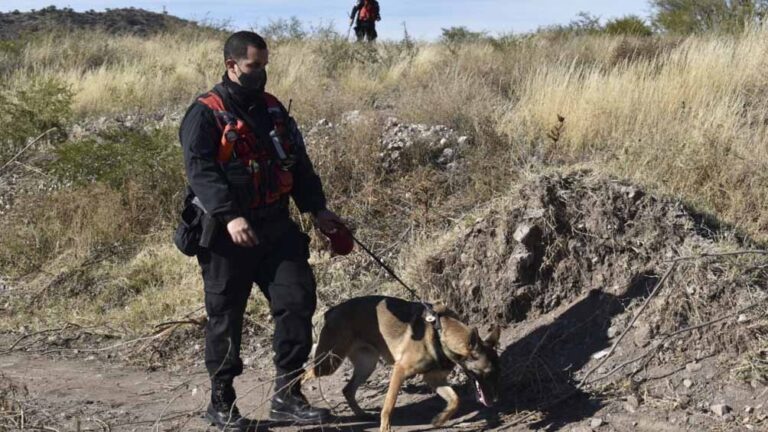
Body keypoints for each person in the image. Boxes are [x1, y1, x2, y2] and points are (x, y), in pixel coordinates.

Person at [179, 31, 345, 430]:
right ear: (231, 65)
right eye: (254, 67)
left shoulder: (274, 111)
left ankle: (287, 396)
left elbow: (299, 166)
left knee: (297, 302)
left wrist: (318, 210)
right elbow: (199, 171)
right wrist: (229, 215)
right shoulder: (204, 112)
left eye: (265, 66)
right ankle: (221, 403)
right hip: (225, 235)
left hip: (276, 227)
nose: (261, 74)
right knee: (225, 316)